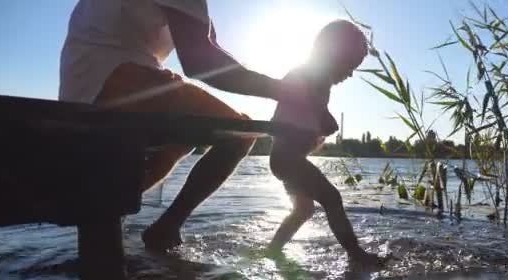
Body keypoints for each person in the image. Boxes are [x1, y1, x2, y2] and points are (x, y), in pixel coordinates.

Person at [60, 0, 306, 251]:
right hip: (115, 75)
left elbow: (210, 47)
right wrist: (287, 93)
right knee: (239, 133)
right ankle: (160, 227)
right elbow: (201, 63)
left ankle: (106, 215)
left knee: (184, 139)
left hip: (91, 79)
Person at [268, 20, 383, 264]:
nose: (350, 73)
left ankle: (273, 250)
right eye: (349, 66)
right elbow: (308, 109)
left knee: (304, 209)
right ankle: (356, 254)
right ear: (332, 54)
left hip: (286, 159)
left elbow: (308, 110)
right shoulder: (310, 76)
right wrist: (326, 120)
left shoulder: (315, 78)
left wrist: (320, 120)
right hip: (288, 159)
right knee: (332, 199)